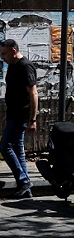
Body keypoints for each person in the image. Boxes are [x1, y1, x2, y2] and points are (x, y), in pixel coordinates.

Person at [0, 39, 38, 199]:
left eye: (4, 54)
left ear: (13, 51)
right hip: (13, 114)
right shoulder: (12, 66)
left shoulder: (25, 66)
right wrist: (7, 115)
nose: (2, 57)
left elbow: (33, 93)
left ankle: (23, 181)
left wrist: (33, 119)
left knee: (5, 147)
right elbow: (12, 93)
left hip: (22, 115)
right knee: (17, 150)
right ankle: (26, 188)